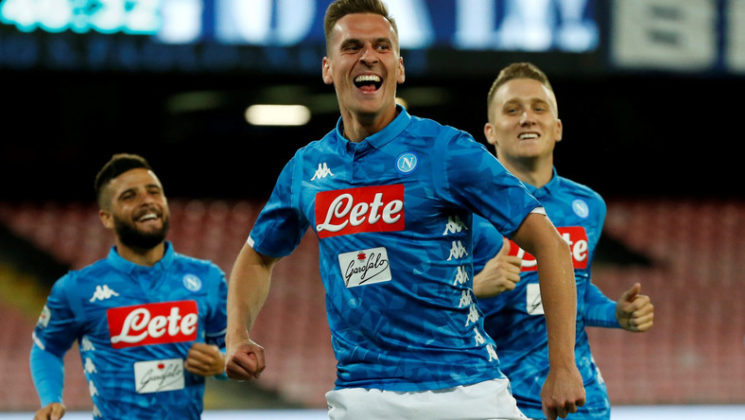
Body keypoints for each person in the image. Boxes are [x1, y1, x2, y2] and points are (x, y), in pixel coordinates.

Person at [225, 2, 584, 419]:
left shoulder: (447, 150)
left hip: (465, 391)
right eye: (352, 46)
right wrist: (237, 335)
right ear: (328, 68)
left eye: (382, 46)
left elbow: (551, 244)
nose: (368, 56)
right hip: (363, 397)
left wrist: (563, 366)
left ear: (399, 67)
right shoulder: (306, 169)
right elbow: (257, 256)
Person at [472, 62, 655, 419]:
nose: (527, 118)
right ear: (490, 132)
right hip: (499, 401)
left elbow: (576, 292)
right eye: (513, 110)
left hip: (580, 400)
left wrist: (615, 313)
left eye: (539, 108)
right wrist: (476, 287)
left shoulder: (588, 206)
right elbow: (423, 303)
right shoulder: (467, 212)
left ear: (557, 128)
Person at [30, 154, 228, 420]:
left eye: (154, 191)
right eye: (129, 196)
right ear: (107, 218)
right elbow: (47, 347)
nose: (147, 200)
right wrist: (50, 399)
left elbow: (230, 350)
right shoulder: (76, 289)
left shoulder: (208, 278)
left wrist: (221, 363)